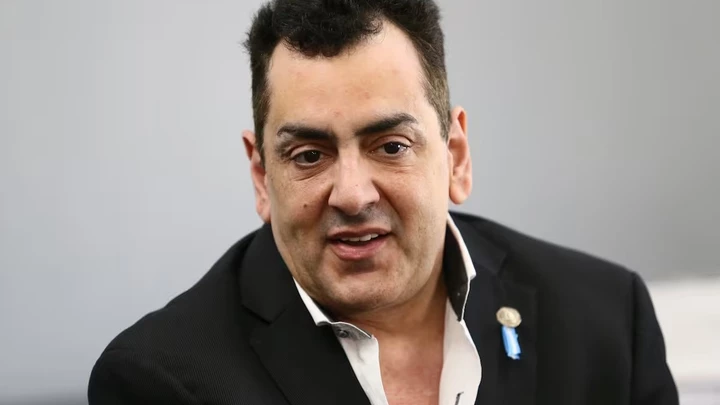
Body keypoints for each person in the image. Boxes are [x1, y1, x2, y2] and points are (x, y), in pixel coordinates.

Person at [88, 0, 679, 404]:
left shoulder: (605, 322)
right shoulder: (160, 381)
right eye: (309, 155)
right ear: (262, 175)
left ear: (456, 156)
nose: (351, 194)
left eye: (391, 146)